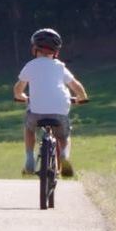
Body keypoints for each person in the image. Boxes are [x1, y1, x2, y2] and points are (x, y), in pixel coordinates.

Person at [12, 28, 87, 177]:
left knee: (29, 129)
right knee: (64, 137)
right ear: (56, 52)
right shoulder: (60, 67)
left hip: (36, 112)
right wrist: (82, 97)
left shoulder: (31, 65)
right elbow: (75, 85)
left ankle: (29, 158)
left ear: (34, 49)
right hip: (59, 110)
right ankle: (64, 156)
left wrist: (19, 95)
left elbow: (19, 87)